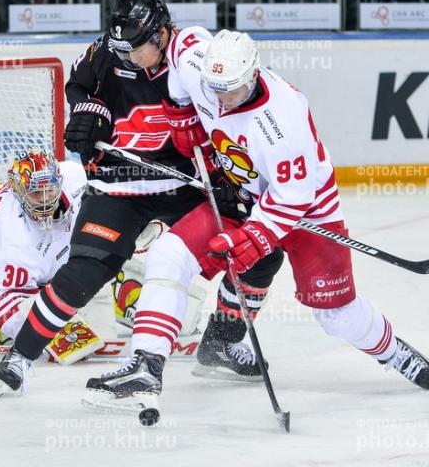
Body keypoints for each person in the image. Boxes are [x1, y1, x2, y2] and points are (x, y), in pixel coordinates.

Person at [0, 0, 280, 402]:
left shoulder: (193, 60)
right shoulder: (108, 51)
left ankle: (221, 341)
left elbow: (234, 116)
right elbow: (79, 86)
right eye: (121, 48)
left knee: (261, 251)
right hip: (118, 182)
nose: (127, 57)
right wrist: (88, 114)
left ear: (162, 35)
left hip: (185, 183)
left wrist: (231, 177)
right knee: (86, 271)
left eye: (136, 49)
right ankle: (20, 357)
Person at [150, 28, 429, 394]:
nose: (221, 101)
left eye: (231, 90)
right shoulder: (199, 64)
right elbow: (177, 55)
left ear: (253, 75)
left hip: (307, 208)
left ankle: (397, 355)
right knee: (202, 258)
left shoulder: (282, 120)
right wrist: (182, 113)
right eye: (214, 89)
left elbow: (293, 197)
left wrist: (254, 238)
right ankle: (218, 342)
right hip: (244, 190)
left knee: (337, 313)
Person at [0, 148, 105, 366]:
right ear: (19, 191)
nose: (44, 200)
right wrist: (44, 336)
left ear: (58, 181)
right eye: (35, 193)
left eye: (49, 190)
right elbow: (1, 300)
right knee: (20, 287)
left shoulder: (74, 175)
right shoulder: (13, 240)